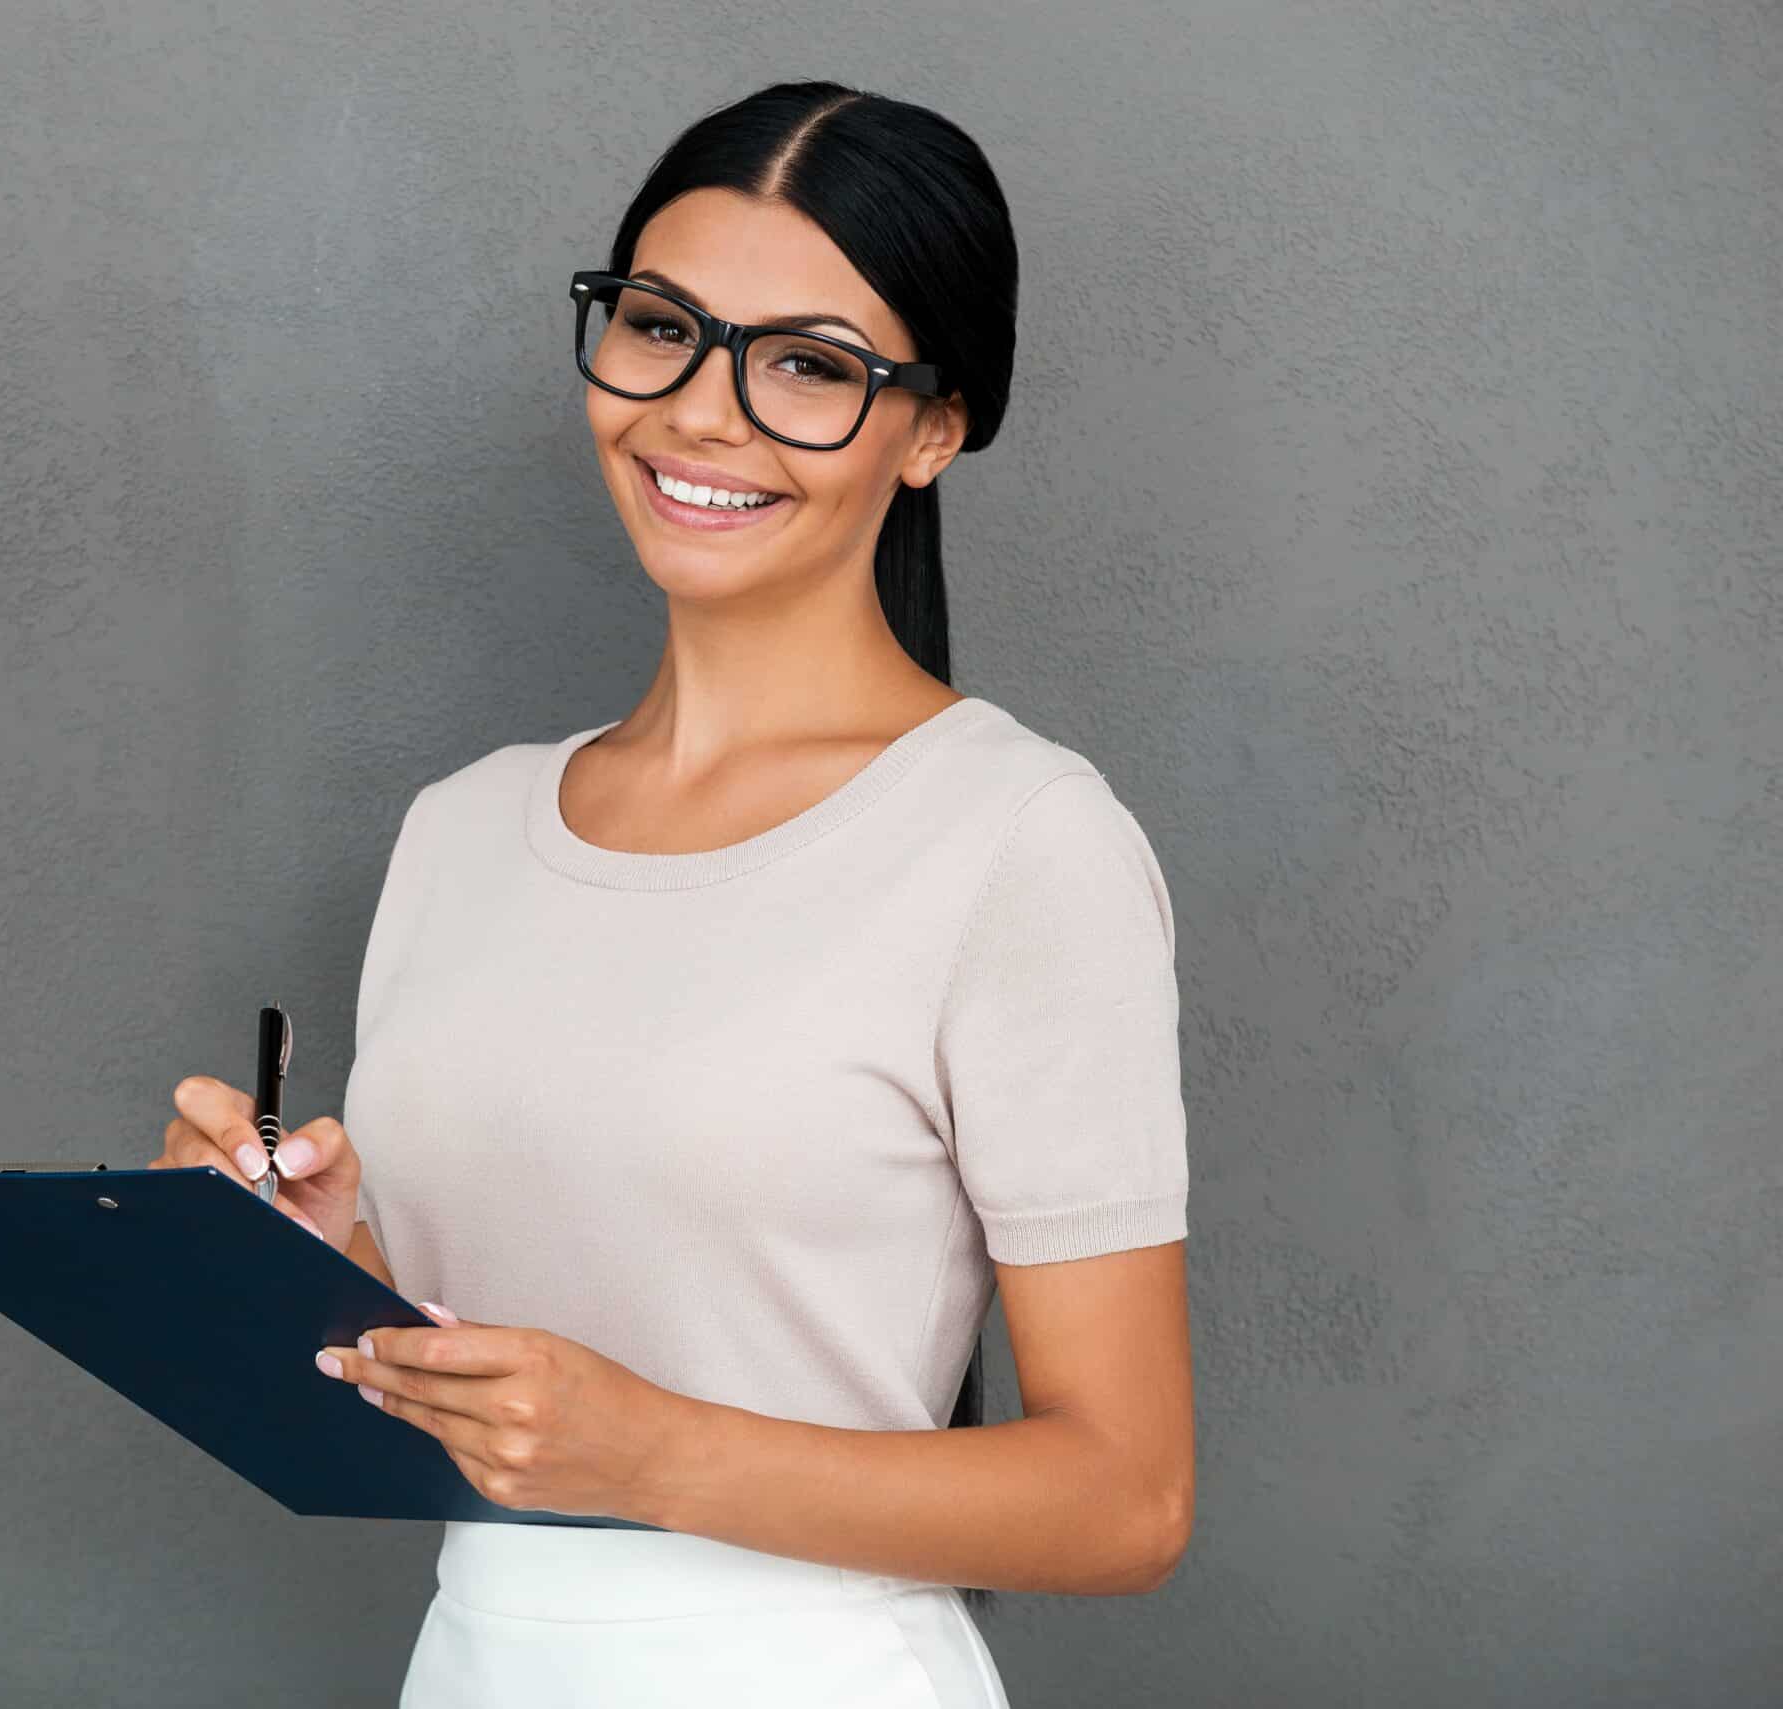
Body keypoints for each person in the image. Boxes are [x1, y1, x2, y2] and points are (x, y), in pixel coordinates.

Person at [156, 78, 1194, 1709]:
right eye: (662, 328)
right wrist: (308, 1257)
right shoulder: (461, 830)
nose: (702, 414)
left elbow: (1129, 1499)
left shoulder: (1017, 841)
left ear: (935, 427)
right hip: (477, 1663)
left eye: (806, 365)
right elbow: (492, 1368)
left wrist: (649, 1450)